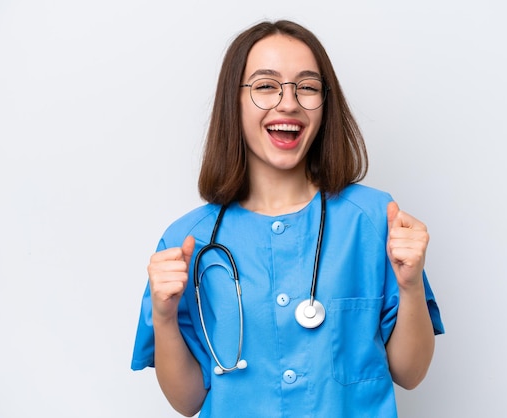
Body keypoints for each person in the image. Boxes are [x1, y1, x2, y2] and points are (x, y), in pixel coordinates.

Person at [131, 19, 444, 417]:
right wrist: (164, 315)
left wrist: (411, 284)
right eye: (265, 86)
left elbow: (411, 372)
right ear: (234, 101)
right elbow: (187, 401)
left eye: (308, 87)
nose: (289, 103)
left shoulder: (373, 221)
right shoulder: (186, 243)